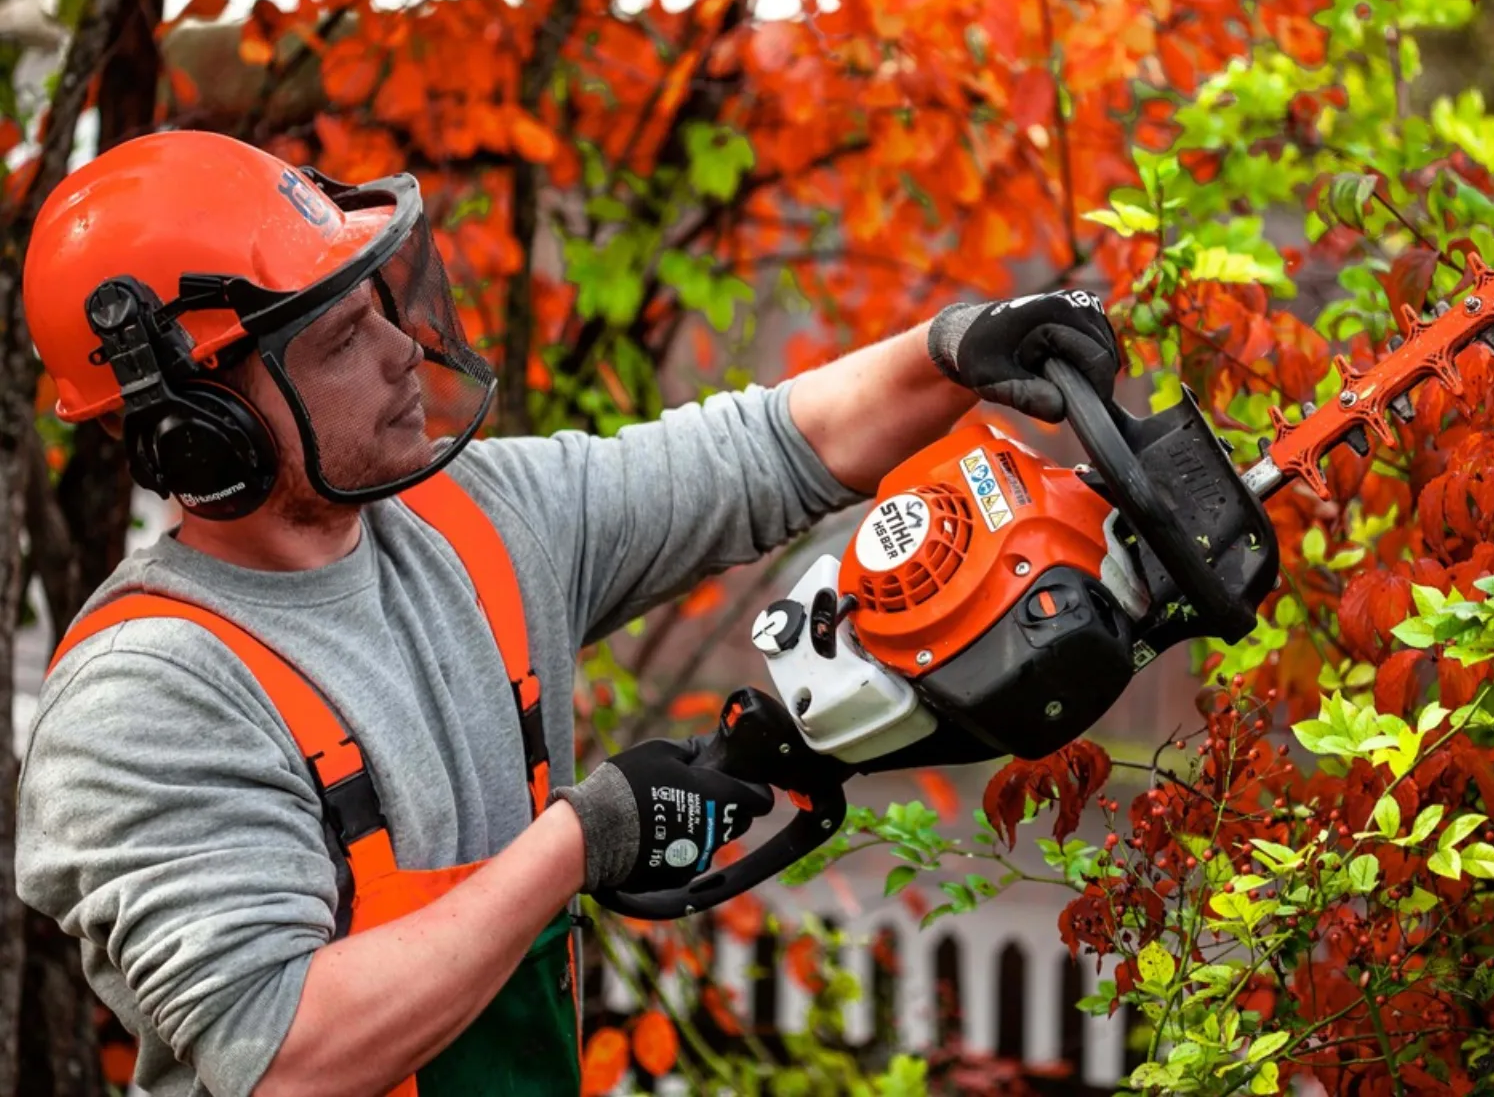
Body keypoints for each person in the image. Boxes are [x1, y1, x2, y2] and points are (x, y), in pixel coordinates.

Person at [14, 130, 1123, 1097]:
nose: (403, 350)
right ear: (200, 433)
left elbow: (760, 452)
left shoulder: (472, 519)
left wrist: (952, 353)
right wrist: (585, 837)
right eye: (343, 341)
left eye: (381, 308)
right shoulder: (148, 693)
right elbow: (287, 1051)